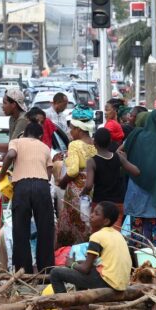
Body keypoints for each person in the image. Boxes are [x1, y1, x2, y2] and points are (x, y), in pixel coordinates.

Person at [0, 122, 55, 274]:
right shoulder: (45, 147)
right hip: (42, 187)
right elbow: (49, 174)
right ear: (40, 136)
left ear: (24, 132)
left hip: (21, 187)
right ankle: (46, 272)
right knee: (45, 231)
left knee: (20, 231)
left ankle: (23, 272)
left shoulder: (16, 141)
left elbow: (10, 155)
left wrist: (1, 174)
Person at [50, 201, 132, 305]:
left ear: (106, 221)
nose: (92, 215)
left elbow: (85, 269)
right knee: (79, 273)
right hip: (121, 283)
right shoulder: (118, 235)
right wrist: (79, 264)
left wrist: (71, 264)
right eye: (93, 212)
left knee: (55, 273)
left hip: (107, 282)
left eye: (96, 214)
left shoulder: (97, 236)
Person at [124, 109, 156, 247]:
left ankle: (135, 259)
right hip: (155, 191)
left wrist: (130, 166)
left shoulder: (136, 135)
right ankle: (155, 260)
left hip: (136, 188)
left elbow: (121, 150)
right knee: (155, 232)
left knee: (136, 230)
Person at [81, 128, 140, 231]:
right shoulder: (118, 157)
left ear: (94, 142)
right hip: (117, 203)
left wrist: (83, 193)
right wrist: (124, 160)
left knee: (98, 235)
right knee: (114, 234)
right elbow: (136, 172)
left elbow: (89, 185)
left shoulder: (92, 161)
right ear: (110, 142)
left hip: (100, 204)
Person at [56, 105, 96, 248]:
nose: (69, 131)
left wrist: (62, 182)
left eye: (71, 128)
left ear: (79, 129)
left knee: (72, 225)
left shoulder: (75, 145)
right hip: (91, 189)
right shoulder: (93, 144)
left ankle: (68, 255)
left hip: (76, 191)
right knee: (87, 223)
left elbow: (73, 171)